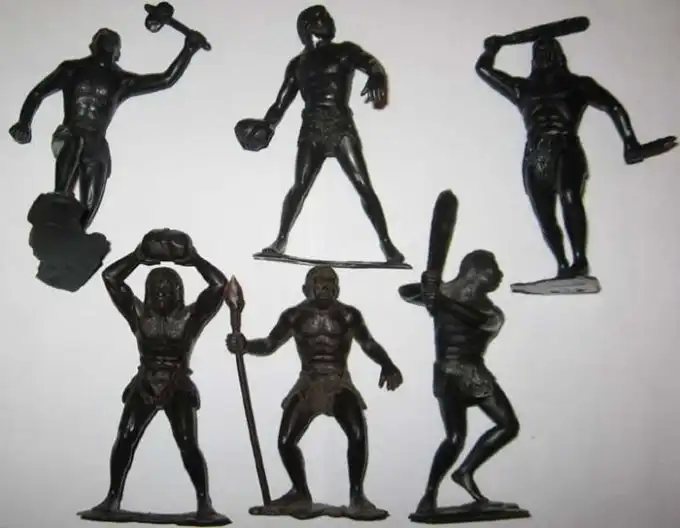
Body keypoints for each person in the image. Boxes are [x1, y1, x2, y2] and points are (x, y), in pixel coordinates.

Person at [476, 36, 676, 281]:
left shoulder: (577, 85)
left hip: (566, 148)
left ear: (559, 55)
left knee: (570, 198)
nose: (544, 54)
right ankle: (562, 265)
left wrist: (630, 143)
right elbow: (483, 70)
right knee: (544, 214)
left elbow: (612, 106)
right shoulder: (522, 88)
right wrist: (492, 48)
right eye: (540, 50)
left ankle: (579, 261)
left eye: (549, 49)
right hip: (535, 154)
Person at [226, 265, 403, 515]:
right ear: (306, 288)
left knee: (357, 434)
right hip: (308, 383)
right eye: (319, 282)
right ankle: (300, 492)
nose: (325, 287)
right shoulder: (294, 316)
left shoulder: (348, 315)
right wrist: (245, 345)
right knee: (285, 442)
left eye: (331, 282)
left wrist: (387, 364)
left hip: (338, 383)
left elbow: (368, 343)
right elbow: (269, 344)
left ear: (337, 288)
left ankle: (357, 496)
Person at [235, 6, 405, 264]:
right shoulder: (298, 64)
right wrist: (266, 126)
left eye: (327, 17)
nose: (329, 21)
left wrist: (377, 74)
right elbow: (280, 103)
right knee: (299, 187)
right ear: (308, 27)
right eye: (322, 18)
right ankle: (280, 240)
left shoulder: (344, 50)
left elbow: (369, 63)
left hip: (340, 125)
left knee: (363, 185)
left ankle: (387, 245)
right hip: (312, 128)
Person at [86, 233, 226, 520]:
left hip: (177, 384)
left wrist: (194, 259)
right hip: (145, 383)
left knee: (187, 442)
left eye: (167, 288)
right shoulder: (138, 314)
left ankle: (204, 503)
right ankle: (112, 498)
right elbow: (111, 278)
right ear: (147, 291)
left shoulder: (190, 317)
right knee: (125, 437)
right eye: (156, 288)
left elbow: (219, 286)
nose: (161, 292)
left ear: (178, 292)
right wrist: (138, 255)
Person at [9, 27, 207, 229]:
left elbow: (165, 79)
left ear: (118, 53)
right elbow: (38, 92)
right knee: (77, 140)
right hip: (69, 133)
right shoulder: (71, 69)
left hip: (96, 140)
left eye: (113, 43)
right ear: (92, 45)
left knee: (97, 171)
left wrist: (189, 49)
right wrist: (23, 123)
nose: (107, 43)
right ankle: (60, 195)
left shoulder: (122, 81)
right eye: (101, 39)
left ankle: (79, 230)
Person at [400, 250, 520, 513]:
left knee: (458, 437)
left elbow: (476, 319)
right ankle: (456, 477)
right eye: (492, 269)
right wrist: (429, 286)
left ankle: (436, 491)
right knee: (502, 426)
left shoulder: (488, 312)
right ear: (474, 271)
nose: (499, 275)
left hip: (452, 375)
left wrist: (438, 297)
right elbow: (405, 292)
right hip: (468, 374)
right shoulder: (453, 299)